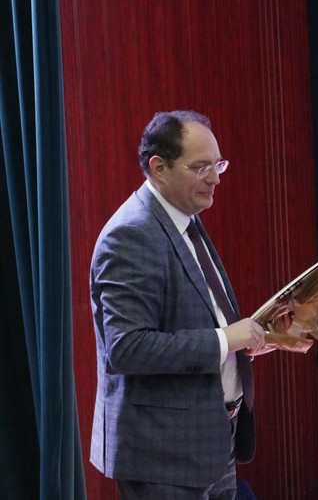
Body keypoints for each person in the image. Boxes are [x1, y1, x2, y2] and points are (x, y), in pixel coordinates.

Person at [90, 110, 269, 499]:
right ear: (159, 168)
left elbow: (195, 317)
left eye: (218, 164)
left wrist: (250, 341)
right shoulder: (131, 234)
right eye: (201, 167)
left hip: (214, 440)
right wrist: (226, 339)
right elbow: (128, 347)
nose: (215, 178)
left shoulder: (184, 216)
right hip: (162, 456)